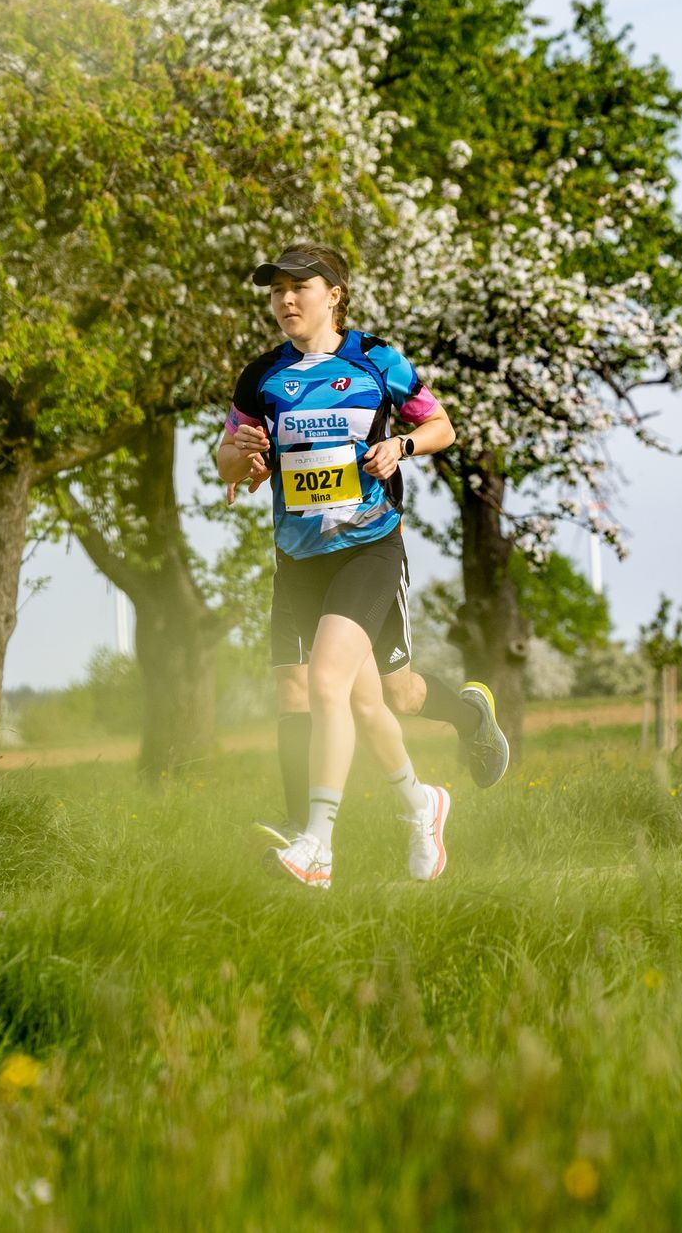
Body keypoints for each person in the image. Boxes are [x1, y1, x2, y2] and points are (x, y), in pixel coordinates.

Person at [216, 243, 480, 888]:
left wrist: (403, 445)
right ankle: (423, 806)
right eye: (276, 290)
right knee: (349, 702)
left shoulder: (376, 359)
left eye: (297, 287)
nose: (284, 301)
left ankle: (317, 845)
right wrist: (242, 457)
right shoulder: (260, 377)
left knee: (330, 685)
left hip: (368, 549)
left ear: (333, 293)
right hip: (296, 557)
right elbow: (226, 460)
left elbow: (442, 424)